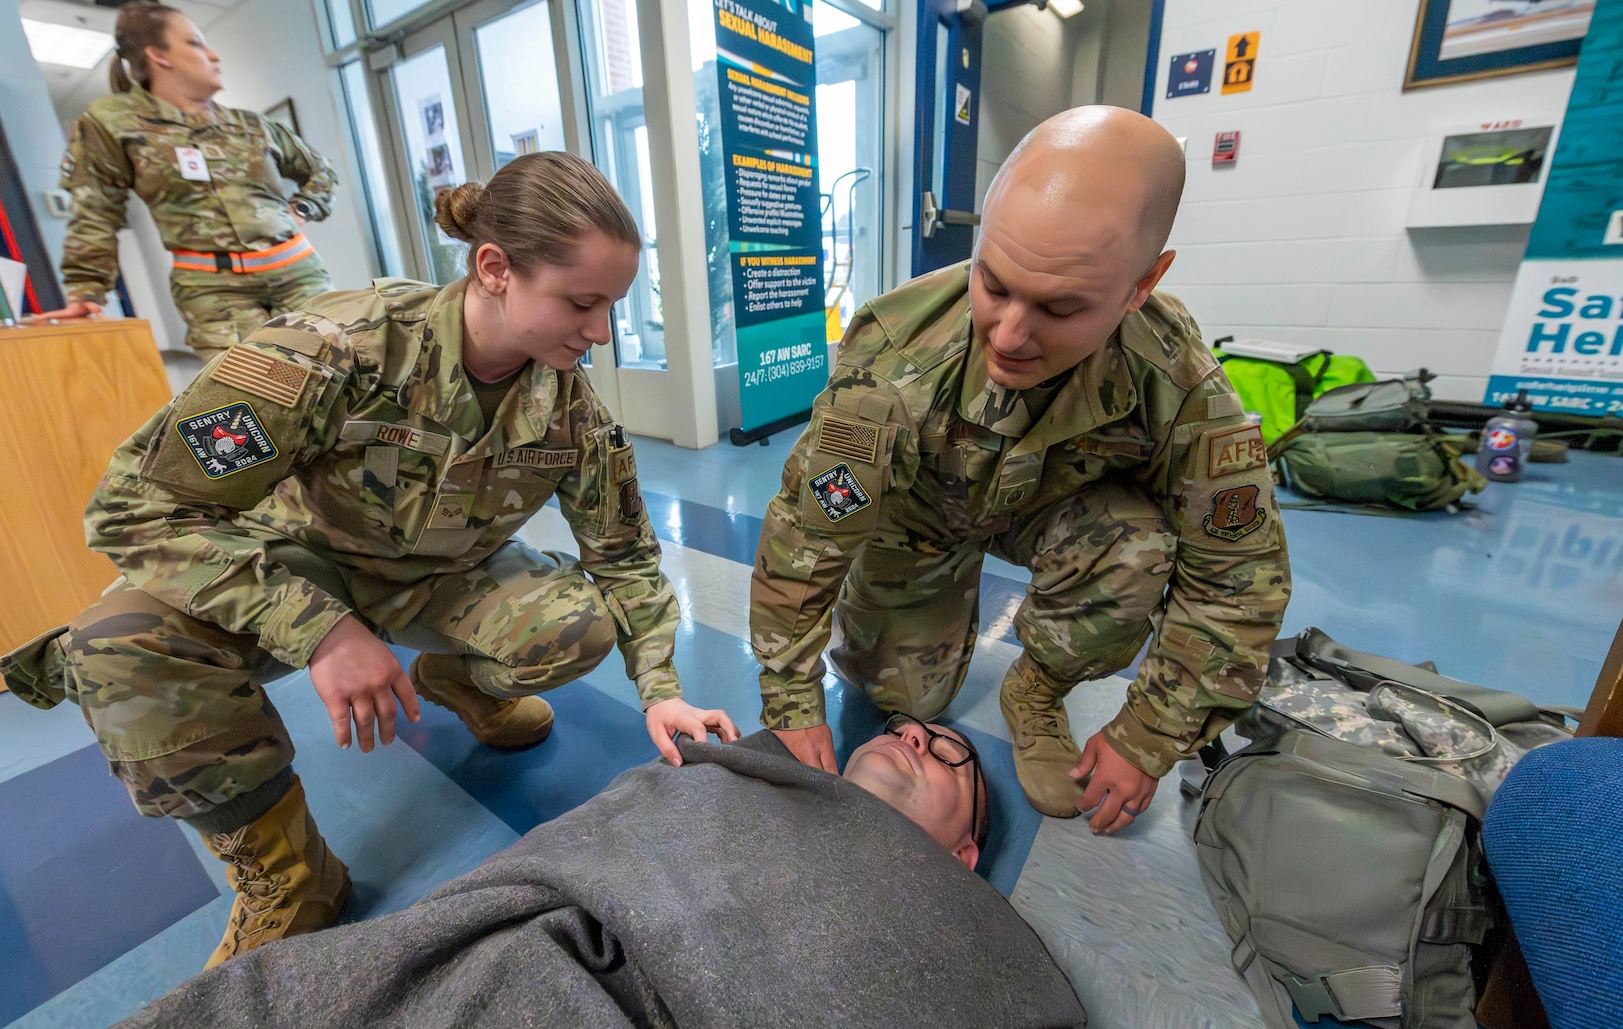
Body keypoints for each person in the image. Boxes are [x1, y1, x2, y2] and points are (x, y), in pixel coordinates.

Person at [0, 151, 738, 970]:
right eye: (582, 302)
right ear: (495, 269)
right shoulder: (332, 348)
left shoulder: (571, 411)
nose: (600, 332)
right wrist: (320, 630)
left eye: (612, 307)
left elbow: (627, 556)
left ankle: (455, 682)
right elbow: (134, 508)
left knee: (574, 628)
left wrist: (662, 692)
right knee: (120, 640)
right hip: (302, 561)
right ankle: (293, 879)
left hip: (445, 576)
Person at [751, 106, 1292, 833]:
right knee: (903, 695)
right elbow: (807, 536)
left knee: (1134, 546)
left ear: (1141, 285)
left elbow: (1238, 578)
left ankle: (1036, 689)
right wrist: (789, 698)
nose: (1008, 335)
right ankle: (910, 617)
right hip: (913, 519)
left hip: (1054, 518)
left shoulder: (1175, 380)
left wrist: (1147, 734)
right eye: (993, 283)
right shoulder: (896, 357)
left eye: (1060, 306)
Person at [112, 724, 1087, 1029]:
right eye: (903, 728)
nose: (915, 736)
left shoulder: (962, 919)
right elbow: (595, 849)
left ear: (962, 859)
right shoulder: (738, 786)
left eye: (946, 754)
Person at [30, 0, 337, 360]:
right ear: (159, 56)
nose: (214, 55)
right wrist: (86, 291)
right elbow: (96, 209)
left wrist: (300, 208)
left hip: (300, 274)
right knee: (255, 401)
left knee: (337, 382)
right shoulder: (112, 122)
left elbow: (320, 171)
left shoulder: (250, 124)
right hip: (215, 294)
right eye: (195, 43)